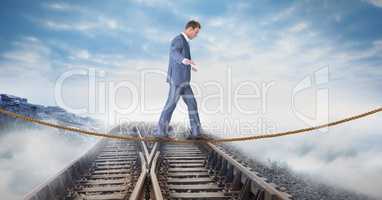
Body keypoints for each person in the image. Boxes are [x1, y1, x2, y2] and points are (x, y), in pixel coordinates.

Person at [156, 20, 202, 140]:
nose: (196, 35)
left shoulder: (185, 42)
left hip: (185, 81)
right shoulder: (178, 39)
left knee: (192, 104)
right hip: (177, 81)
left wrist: (189, 65)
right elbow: (174, 53)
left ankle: (196, 133)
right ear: (190, 29)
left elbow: (181, 58)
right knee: (170, 105)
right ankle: (161, 132)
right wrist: (184, 60)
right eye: (196, 32)